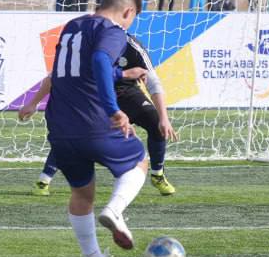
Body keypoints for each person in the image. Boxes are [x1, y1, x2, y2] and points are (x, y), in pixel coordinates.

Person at [40, 0, 151, 257]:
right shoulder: (112, 31)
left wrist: (122, 74)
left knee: (82, 192)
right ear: (127, 12)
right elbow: (101, 59)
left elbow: (77, 69)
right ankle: (115, 209)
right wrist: (114, 109)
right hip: (93, 120)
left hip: (60, 126)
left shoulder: (73, 26)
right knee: (140, 160)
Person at [25, 27, 179, 199]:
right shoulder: (85, 46)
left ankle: (157, 174)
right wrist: (33, 103)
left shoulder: (133, 46)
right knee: (74, 132)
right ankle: (44, 179)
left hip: (126, 92)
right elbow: (55, 76)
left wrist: (164, 118)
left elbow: (153, 82)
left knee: (156, 122)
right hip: (94, 94)